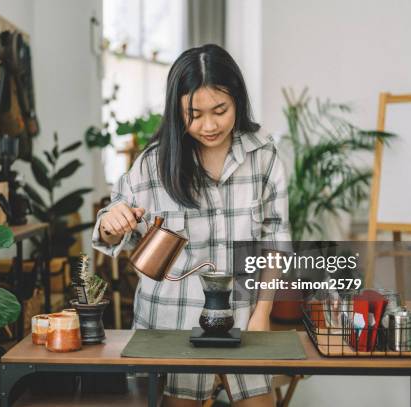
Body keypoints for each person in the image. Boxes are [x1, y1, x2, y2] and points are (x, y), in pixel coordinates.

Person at [92, 43, 290, 407]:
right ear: (176, 109)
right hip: (173, 322)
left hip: (243, 318)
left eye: (221, 110)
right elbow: (109, 227)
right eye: (193, 114)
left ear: (238, 102)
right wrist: (111, 221)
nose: (209, 125)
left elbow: (276, 241)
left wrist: (262, 313)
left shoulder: (264, 157)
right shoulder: (154, 163)